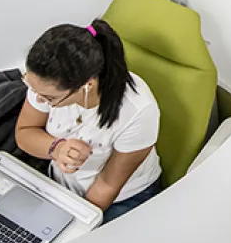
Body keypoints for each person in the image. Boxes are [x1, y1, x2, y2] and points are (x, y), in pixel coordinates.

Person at [15, 19, 162, 224]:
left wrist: (69, 225)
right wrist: (56, 148)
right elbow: (25, 131)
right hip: (61, 185)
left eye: (49, 98)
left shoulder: (137, 111)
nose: (38, 100)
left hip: (120, 198)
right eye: (31, 88)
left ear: (87, 86)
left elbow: (107, 186)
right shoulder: (44, 83)